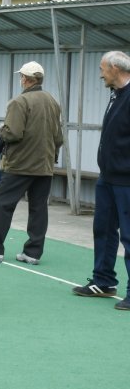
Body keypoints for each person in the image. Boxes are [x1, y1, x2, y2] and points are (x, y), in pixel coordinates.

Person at [0, 61, 63, 265]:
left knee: (1, 204)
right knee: (38, 208)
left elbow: (13, 133)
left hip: (21, 164)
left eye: (21, 77)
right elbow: (58, 137)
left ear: (25, 79)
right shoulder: (53, 101)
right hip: (45, 165)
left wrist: (1, 132)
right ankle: (33, 253)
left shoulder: (19, 102)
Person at [72, 51, 130, 311]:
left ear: (116, 68)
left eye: (103, 68)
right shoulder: (115, 95)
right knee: (103, 229)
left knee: (129, 236)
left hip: (126, 180)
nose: (100, 73)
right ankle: (104, 281)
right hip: (107, 178)